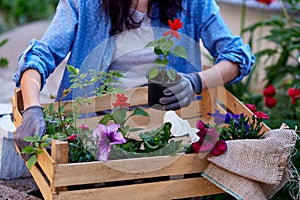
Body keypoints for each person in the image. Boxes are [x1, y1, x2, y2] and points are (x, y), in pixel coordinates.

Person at [13, 0, 255, 151]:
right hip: (92, 132)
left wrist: (195, 82)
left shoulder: (193, 4)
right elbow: (41, 56)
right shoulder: (84, 4)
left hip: (168, 133)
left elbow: (237, 56)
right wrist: (33, 109)